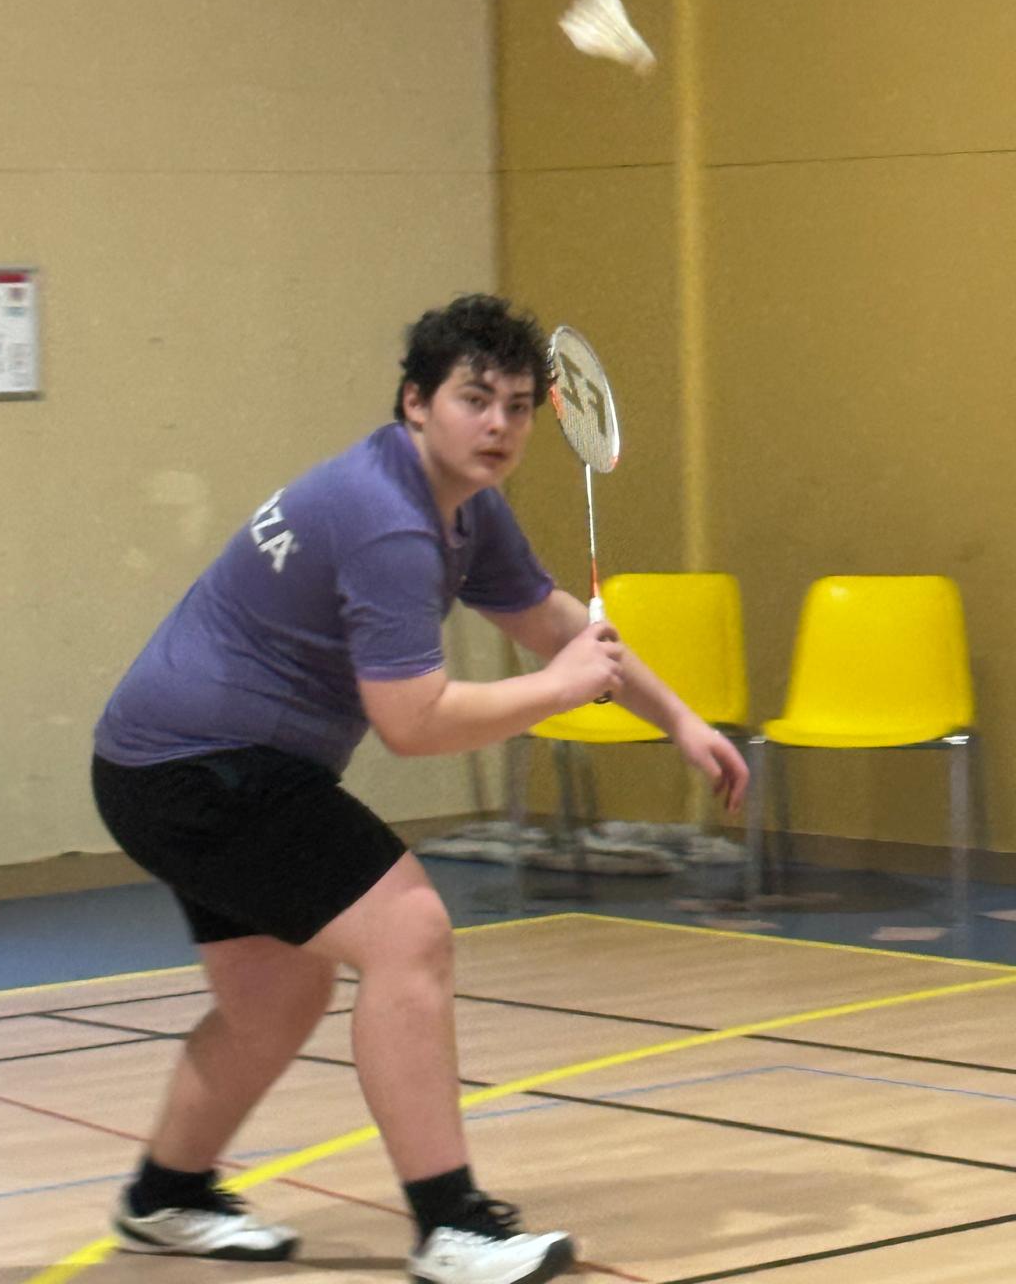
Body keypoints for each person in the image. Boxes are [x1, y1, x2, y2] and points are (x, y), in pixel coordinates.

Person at [92, 293, 749, 1284]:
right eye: (474, 400)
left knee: (277, 997)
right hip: (203, 768)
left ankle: (165, 1195)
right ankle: (453, 1226)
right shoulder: (388, 522)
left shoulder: (461, 504)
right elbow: (413, 723)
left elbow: (551, 618)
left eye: (519, 407)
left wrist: (680, 719)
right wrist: (557, 691)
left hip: (164, 763)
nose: (499, 426)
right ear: (415, 402)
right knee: (409, 932)